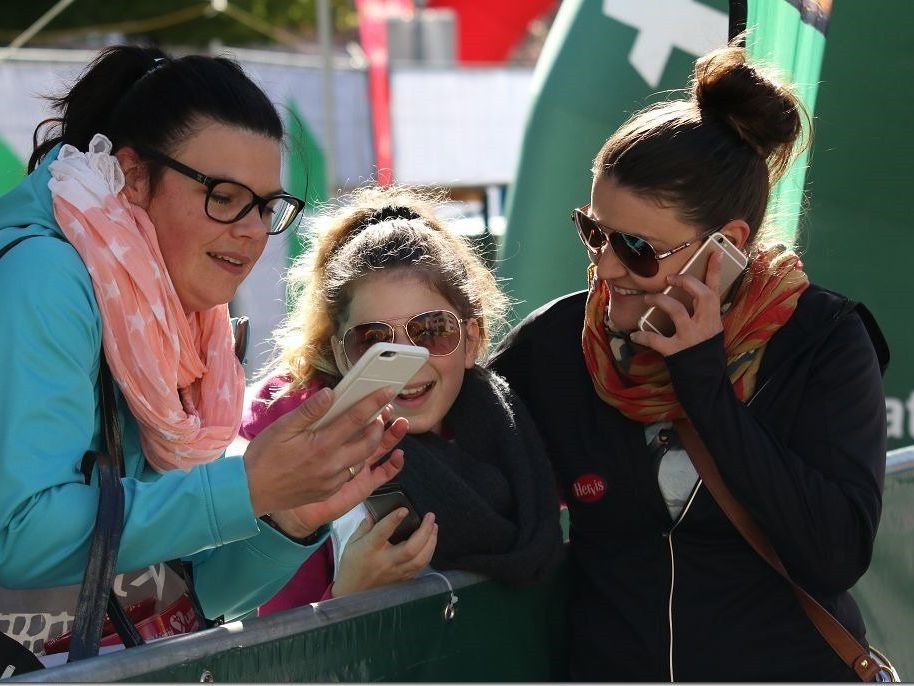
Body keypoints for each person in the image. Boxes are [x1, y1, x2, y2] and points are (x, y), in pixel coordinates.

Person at [490, 44, 889, 681]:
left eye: (638, 247)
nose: (606, 266)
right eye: (595, 232)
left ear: (725, 246)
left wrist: (702, 384)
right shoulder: (557, 345)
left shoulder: (823, 339)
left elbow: (833, 554)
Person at [0, 46, 408, 659]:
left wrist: (287, 517)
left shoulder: (185, 314)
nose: (250, 229)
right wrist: (245, 488)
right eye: (223, 195)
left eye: (267, 205)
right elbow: (22, 534)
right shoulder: (46, 274)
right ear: (134, 176)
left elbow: (180, 597)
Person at [239, 187, 564, 611]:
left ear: (472, 340)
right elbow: (274, 655)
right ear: (341, 355)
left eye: (431, 330)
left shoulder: (517, 432)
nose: (408, 362)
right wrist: (350, 595)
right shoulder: (304, 458)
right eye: (373, 341)